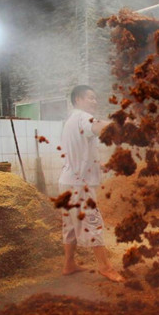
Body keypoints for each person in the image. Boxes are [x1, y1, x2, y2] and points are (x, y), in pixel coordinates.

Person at [58, 85, 124, 282]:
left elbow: (81, 154)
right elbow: (98, 127)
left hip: (67, 183)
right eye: (90, 98)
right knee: (93, 222)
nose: (95, 101)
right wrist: (121, 124)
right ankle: (105, 267)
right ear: (78, 99)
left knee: (70, 225)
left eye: (95, 98)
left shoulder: (71, 121)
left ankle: (69, 264)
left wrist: (101, 166)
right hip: (80, 186)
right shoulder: (83, 117)